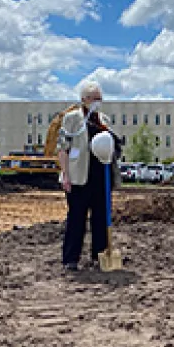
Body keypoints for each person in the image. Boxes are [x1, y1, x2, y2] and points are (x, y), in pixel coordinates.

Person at [58, 82, 119, 271]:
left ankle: (99, 256)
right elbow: (63, 148)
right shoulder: (72, 119)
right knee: (76, 219)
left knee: (101, 219)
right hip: (79, 178)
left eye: (100, 98)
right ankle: (71, 259)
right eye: (94, 98)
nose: (98, 102)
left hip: (100, 177)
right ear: (84, 99)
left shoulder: (104, 120)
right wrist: (66, 175)